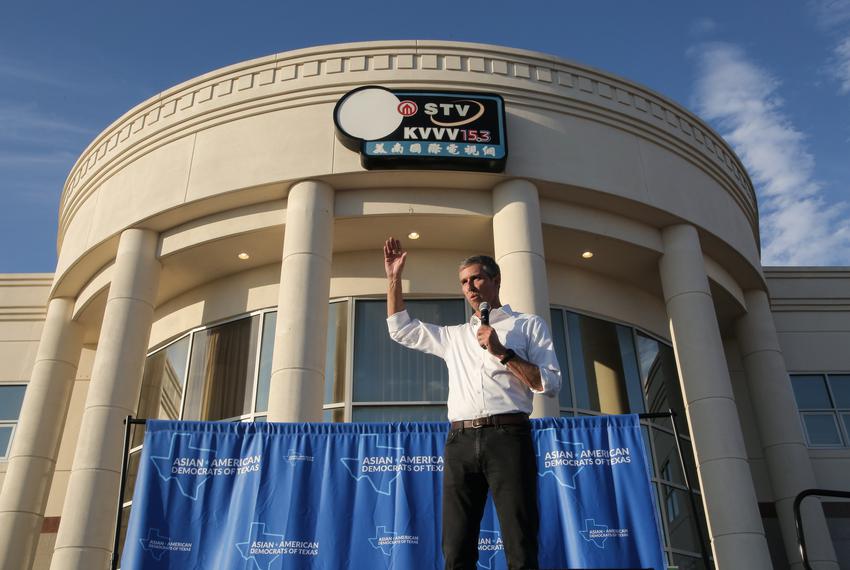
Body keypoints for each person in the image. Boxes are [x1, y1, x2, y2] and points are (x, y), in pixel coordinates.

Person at [383, 237, 561, 570]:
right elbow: (401, 329)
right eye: (464, 282)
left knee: (520, 543)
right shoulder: (454, 336)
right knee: (456, 548)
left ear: (495, 280)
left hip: (508, 437)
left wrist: (502, 352)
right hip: (460, 443)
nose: (470, 287)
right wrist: (394, 277)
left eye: (477, 278)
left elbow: (549, 384)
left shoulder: (527, 325)